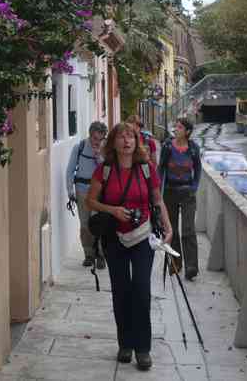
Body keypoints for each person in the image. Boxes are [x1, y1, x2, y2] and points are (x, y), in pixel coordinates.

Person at [85, 123, 173, 370]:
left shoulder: (146, 169)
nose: (126, 141)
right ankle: (125, 344)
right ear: (113, 142)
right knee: (121, 292)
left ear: (136, 142)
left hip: (143, 236)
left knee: (142, 291)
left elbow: (158, 200)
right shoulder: (104, 170)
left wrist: (169, 228)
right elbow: (90, 201)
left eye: (131, 137)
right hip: (114, 238)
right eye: (121, 137)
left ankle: (143, 349)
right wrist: (113, 210)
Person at [157, 117, 202, 281]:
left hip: (187, 193)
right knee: (173, 230)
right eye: (176, 126)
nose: (176, 129)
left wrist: (194, 187)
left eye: (180, 127)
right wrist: (158, 191)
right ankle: (176, 263)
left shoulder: (193, 148)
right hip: (170, 192)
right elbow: (161, 168)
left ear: (187, 132)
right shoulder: (168, 146)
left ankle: (192, 267)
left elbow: (198, 169)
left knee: (188, 229)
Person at [66, 121, 108, 268]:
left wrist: (99, 157)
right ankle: (89, 254)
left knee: (99, 223)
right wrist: (70, 190)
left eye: (101, 139)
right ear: (90, 135)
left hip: (100, 192)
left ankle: (101, 255)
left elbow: (108, 171)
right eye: (95, 138)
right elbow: (70, 170)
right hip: (82, 190)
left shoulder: (105, 150)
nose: (97, 142)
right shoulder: (80, 147)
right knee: (85, 224)